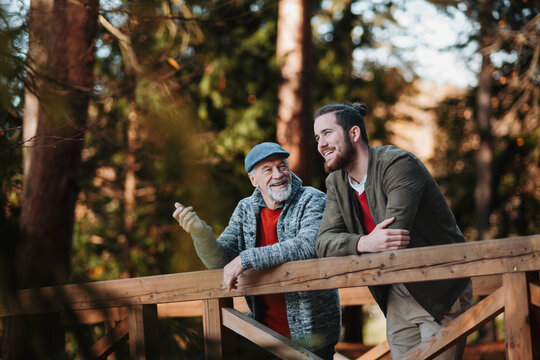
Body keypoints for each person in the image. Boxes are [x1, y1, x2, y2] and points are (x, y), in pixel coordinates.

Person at [313, 103, 472, 359]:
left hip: (439, 287)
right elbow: (323, 243)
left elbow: (394, 236)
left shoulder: (398, 164)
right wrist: (363, 242)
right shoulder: (336, 183)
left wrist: (364, 243)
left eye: (328, 133)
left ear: (354, 133)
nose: (321, 143)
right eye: (317, 137)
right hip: (396, 294)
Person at [172, 142, 341, 359]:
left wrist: (246, 258)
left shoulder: (311, 198)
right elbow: (220, 260)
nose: (278, 174)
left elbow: (309, 245)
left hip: (309, 340)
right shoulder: (245, 209)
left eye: (282, 166)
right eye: (268, 170)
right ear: (253, 180)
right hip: (261, 334)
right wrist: (200, 233)